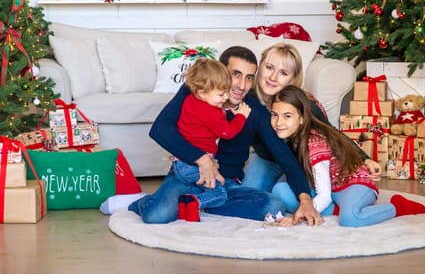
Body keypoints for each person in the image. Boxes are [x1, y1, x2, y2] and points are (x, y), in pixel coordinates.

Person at [128, 46, 323, 225]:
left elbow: (285, 157)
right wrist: (202, 160)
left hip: (226, 183)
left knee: (273, 206)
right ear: (221, 72)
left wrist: (305, 199)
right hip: (187, 175)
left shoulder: (253, 111)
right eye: (235, 75)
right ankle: (150, 201)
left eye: (249, 78)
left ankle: (196, 203)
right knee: (157, 215)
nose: (241, 85)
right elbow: (160, 129)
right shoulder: (197, 90)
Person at [269, 85, 425, 227]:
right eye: (274, 115)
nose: (278, 122)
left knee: (351, 218)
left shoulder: (314, 142)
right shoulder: (293, 138)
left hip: (353, 183)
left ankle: (397, 207)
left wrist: (299, 216)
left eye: (287, 116)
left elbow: (323, 196)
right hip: (330, 187)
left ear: (302, 118)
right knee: (280, 190)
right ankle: (338, 208)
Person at [242, 42, 381, 193]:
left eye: (283, 73)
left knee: (285, 193)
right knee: (248, 193)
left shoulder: (304, 104)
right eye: (269, 68)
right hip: (266, 159)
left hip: (298, 162)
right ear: (260, 66)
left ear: (292, 79)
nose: (273, 77)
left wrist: (364, 159)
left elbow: (332, 133)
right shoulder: (247, 98)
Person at [174, 58, 251, 221]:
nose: (225, 97)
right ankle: (193, 202)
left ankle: (189, 209)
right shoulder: (210, 111)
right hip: (192, 165)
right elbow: (227, 132)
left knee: (211, 185)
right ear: (202, 92)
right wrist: (241, 117)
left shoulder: (191, 101)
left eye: (226, 92)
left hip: (181, 162)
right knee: (219, 194)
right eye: (220, 94)